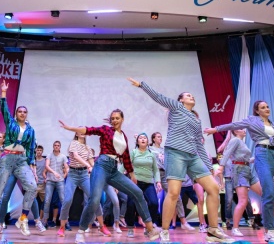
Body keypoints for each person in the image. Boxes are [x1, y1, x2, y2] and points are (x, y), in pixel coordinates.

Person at [128, 78, 232, 243]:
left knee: (213, 188)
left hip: (192, 156)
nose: (191, 97)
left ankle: (213, 230)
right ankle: (164, 231)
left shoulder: (196, 120)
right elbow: (158, 97)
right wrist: (142, 85)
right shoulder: (176, 107)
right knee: (174, 193)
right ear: (181, 100)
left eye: (192, 95)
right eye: (188, 95)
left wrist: (210, 167)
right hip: (175, 153)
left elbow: (199, 144)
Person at [204, 100, 274, 242]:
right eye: (263, 107)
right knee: (268, 193)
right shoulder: (251, 121)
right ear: (257, 111)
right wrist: (216, 129)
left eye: (267, 107)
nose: (267, 109)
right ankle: (269, 231)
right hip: (262, 155)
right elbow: (234, 125)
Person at [59, 110, 161, 243]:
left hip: (114, 170)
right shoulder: (106, 130)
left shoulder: (123, 136)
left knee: (137, 192)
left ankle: (150, 229)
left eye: (117, 118)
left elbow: (126, 157)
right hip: (101, 166)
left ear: (122, 119)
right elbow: (89, 130)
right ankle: (81, 231)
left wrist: (132, 174)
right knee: (94, 200)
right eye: (112, 118)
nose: (114, 120)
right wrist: (70, 128)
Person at [0, 80, 38, 239]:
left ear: (27, 114)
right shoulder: (11, 122)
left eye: (25, 112)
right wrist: (3, 91)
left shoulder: (31, 130)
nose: (22, 113)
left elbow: (31, 148)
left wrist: (31, 166)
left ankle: (23, 219)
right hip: (7, 159)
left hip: (21, 161)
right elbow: (3, 108)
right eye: (20, 111)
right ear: (16, 113)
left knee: (32, 187)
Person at [217, 129, 274, 237]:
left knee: (267, 194)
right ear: (236, 131)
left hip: (247, 170)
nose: (244, 130)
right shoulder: (235, 140)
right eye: (241, 129)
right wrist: (221, 167)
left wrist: (256, 158)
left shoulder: (241, 142)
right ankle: (235, 228)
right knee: (243, 201)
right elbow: (226, 153)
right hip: (239, 171)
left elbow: (245, 159)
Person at [57, 131, 110, 238]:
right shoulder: (73, 143)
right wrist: (88, 165)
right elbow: (76, 156)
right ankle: (62, 227)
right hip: (73, 174)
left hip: (84, 175)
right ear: (76, 134)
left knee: (95, 199)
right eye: (79, 131)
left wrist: (97, 170)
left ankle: (102, 226)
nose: (82, 133)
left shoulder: (88, 148)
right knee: (67, 200)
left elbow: (92, 162)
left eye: (83, 131)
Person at [124, 132, 162, 235]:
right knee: (131, 204)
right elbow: (125, 165)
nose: (143, 139)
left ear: (147, 141)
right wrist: (117, 177)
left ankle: (150, 227)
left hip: (148, 183)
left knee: (154, 203)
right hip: (135, 183)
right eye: (140, 138)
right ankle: (130, 227)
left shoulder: (151, 154)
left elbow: (155, 170)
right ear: (137, 141)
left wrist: (158, 181)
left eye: (145, 138)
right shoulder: (133, 152)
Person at [43, 141, 68, 227]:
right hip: (50, 180)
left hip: (60, 181)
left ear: (60, 147)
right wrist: (54, 172)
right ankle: (45, 221)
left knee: (63, 200)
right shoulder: (49, 155)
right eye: (55, 145)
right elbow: (47, 166)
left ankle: (66, 222)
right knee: (47, 200)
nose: (56, 146)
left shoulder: (63, 156)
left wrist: (64, 176)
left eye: (58, 145)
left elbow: (67, 168)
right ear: (53, 146)